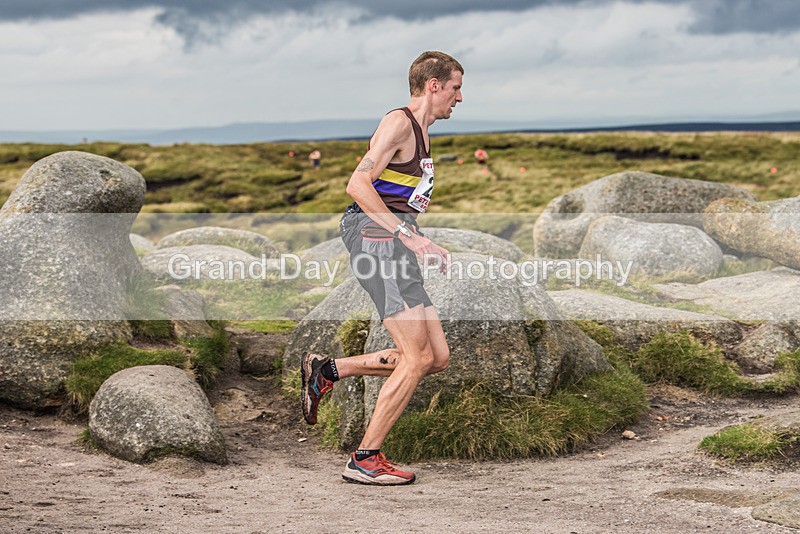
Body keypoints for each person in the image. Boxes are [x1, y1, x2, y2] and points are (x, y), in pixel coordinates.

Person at [300, 51, 463, 486]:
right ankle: (365, 458)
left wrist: (413, 236)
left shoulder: (422, 132)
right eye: (455, 88)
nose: (459, 98)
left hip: (394, 242)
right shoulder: (398, 123)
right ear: (433, 85)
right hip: (375, 239)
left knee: (436, 358)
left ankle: (328, 371)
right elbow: (357, 184)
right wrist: (410, 235)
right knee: (416, 357)